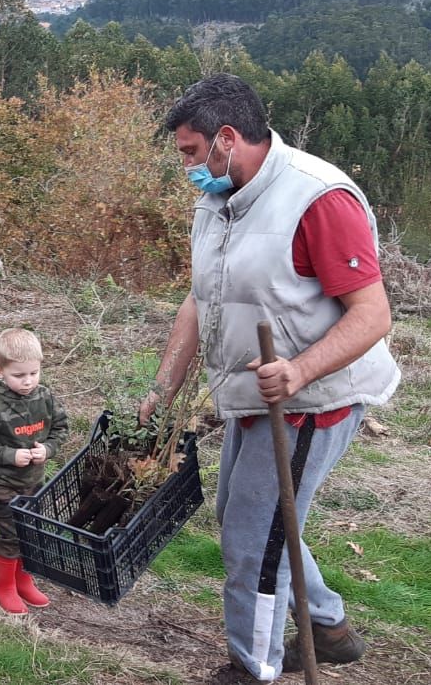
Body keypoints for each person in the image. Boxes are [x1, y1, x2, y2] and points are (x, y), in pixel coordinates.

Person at [142, 73, 399, 683]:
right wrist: (163, 387)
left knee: (253, 538)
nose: (186, 168)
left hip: (314, 399)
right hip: (253, 396)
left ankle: (254, 666)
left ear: (226, 138)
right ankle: (328, 624)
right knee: (245, 513)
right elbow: (200, 297)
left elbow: (373, 315)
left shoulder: (318, 199)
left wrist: (300, 370)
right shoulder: (220, 201)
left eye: (189, 152)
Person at [0, 329, 67, 616]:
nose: (28, 381)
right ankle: (5, 586)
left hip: (34, 481)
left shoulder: (44, 397)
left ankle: (24, 579)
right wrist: (9, 455)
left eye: (34, 373)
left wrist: (47, 450)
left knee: (31, 531)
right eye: (19, 375)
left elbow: (60, 429)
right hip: (2, 483)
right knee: (11, 535)